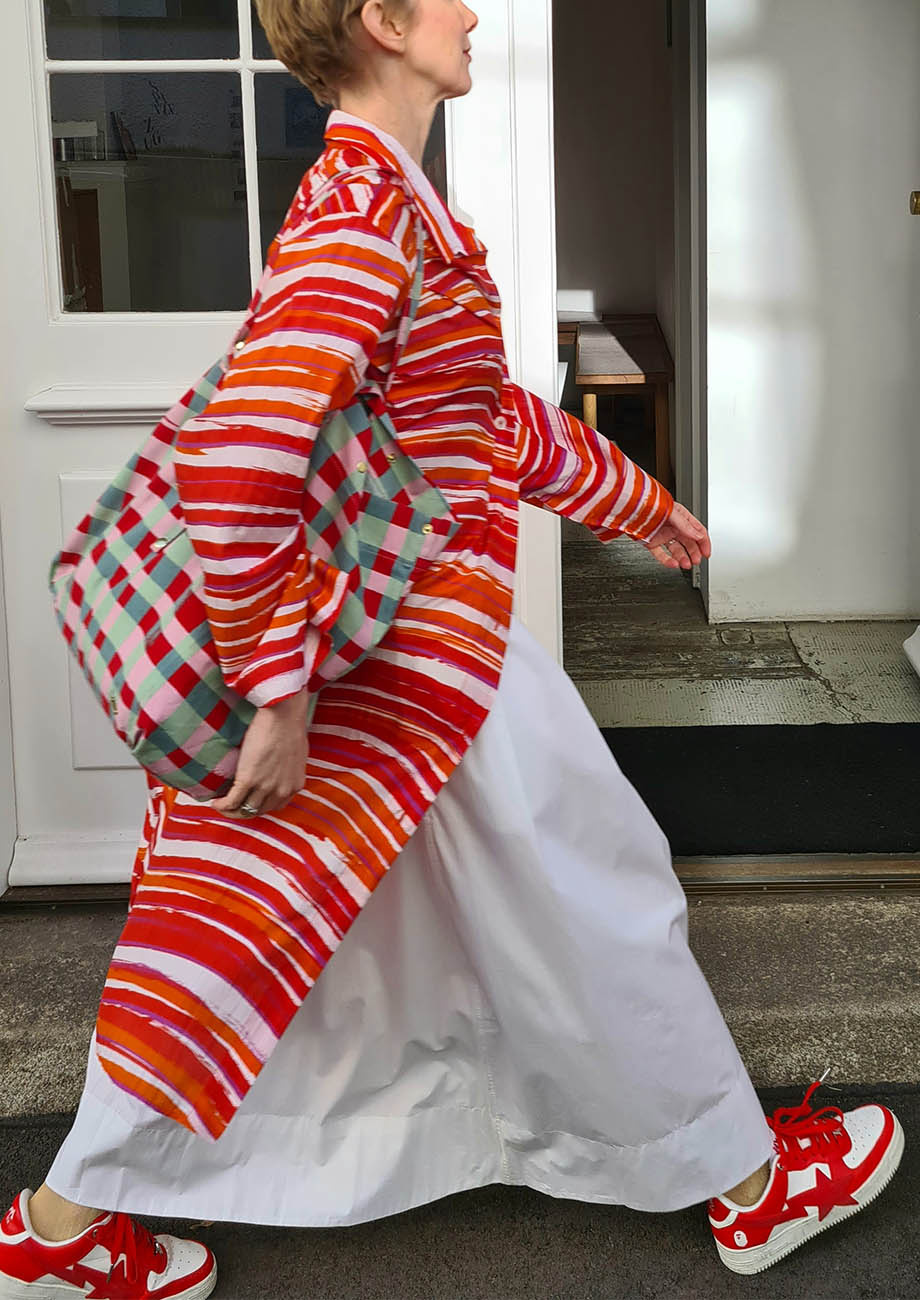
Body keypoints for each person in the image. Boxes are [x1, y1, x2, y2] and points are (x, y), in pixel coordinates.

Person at [0, 1, 903, 1295]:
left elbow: (477, 420)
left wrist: (640, 505)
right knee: (582, 895)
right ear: (380, 21)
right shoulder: (363, 213)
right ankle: (750, 1185)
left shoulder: (392, 203)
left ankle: (64, 1227)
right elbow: (241, 460)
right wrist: (277, 693)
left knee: (229, 933)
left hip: (413, 661)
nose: (474, 12)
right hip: (411, 671)